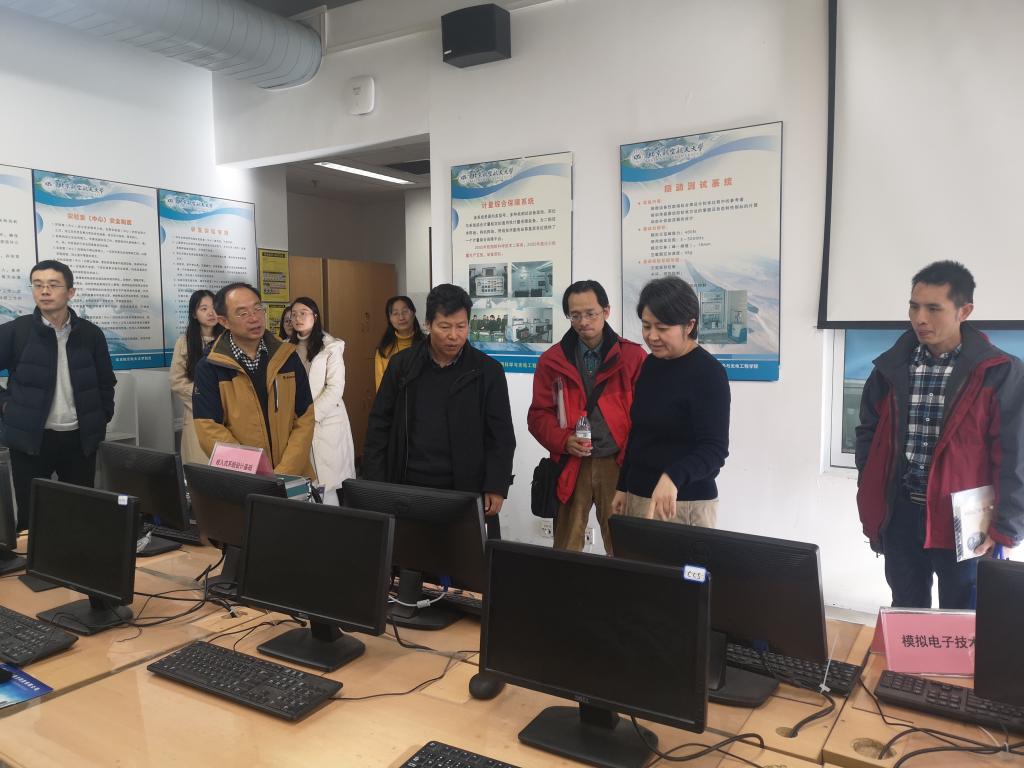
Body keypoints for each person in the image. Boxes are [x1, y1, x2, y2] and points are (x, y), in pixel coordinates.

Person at [856, 261, 1024, 609]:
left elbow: (1015, 456)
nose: (920, 318)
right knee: (906, 609)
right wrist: (872, 494)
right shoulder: (890, 367)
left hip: (966, 519)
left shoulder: (999, 372)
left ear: (964, 311)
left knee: (963, 617)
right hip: (900, 513)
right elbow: (868, 436)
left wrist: (1006, 528)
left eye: (934, 308)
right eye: (914, 306)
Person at [363, 283, 515, 537]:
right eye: (445, 327)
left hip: (466, 489)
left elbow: (501, 436)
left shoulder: (487, 372)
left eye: (461, 326)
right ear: (428, 324)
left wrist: (496, 485)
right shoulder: (402, 366)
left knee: (468, 559)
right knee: (407, 558)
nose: (453, 335)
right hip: (409, 486)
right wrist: (376, 486)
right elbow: (379, 425)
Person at [528, 280, 646, 553]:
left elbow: (644, 418)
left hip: (617, 464)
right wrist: (563, 440)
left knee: (623, 546)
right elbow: (538, 415)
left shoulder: (632, 357)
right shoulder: (552, 361)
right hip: (572, 463)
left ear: (606, 311)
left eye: (591, 313)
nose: (583, 322)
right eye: (575, 315)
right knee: (566, 546)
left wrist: (630, 459)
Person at [0, 260, 116, 530]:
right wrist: (7, 406)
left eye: (53, 285)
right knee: (32, 518)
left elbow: (105, 381)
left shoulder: (90, 334)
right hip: (31, 440)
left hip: (79, 440)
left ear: (70, 292)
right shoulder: (16, 331)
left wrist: (101, 416)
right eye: (38, 285)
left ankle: (78, 556)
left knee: (80, 514)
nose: (44, 291)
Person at [612, 276, 730, 526]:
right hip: (638, 495)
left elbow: (714, 450)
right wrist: (623, 485)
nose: (652, 336)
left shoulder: (708, 373)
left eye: (662, 328)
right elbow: (639, 433)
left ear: (689, 325)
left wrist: (673, 477)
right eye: (646, 326)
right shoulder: (651, 364)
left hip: (683, 503)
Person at [192, 283, 315, 477]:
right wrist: (258, 474)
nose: (254, 318)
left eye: (258, 309)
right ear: (224, 321)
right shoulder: (210, 367)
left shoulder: (287, 357)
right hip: (245, 481)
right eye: (243, 313)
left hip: (294, 477)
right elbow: (209, 430)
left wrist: (285, 472)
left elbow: (305, 417)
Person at [289, 296, 355, 504]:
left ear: (315, 317)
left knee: (328, 482)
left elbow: (335, 388)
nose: (298, 318)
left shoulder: (331, 346)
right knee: (300, 480)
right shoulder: (285, 348)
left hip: (325, 420)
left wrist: (311, 415)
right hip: (295, 422)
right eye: (294, 314)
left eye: (303, 313)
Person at [168, 289, 223, 465]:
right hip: (197, 414)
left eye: (213, 307)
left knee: (226, 467)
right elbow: (177, 381)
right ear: (194, 314)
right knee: (199, 467)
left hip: (228, 414)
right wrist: (204, 397)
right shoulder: (184, 342)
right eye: (203, 309)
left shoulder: (228, 340)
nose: (211, 313)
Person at [374, 295, 425, 391]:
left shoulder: (427, 345)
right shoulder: (384, 350)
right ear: (389, 318)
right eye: (395, 313)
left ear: (413, 313)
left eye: (405, 311)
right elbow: (381, 390)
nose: (401, 317)